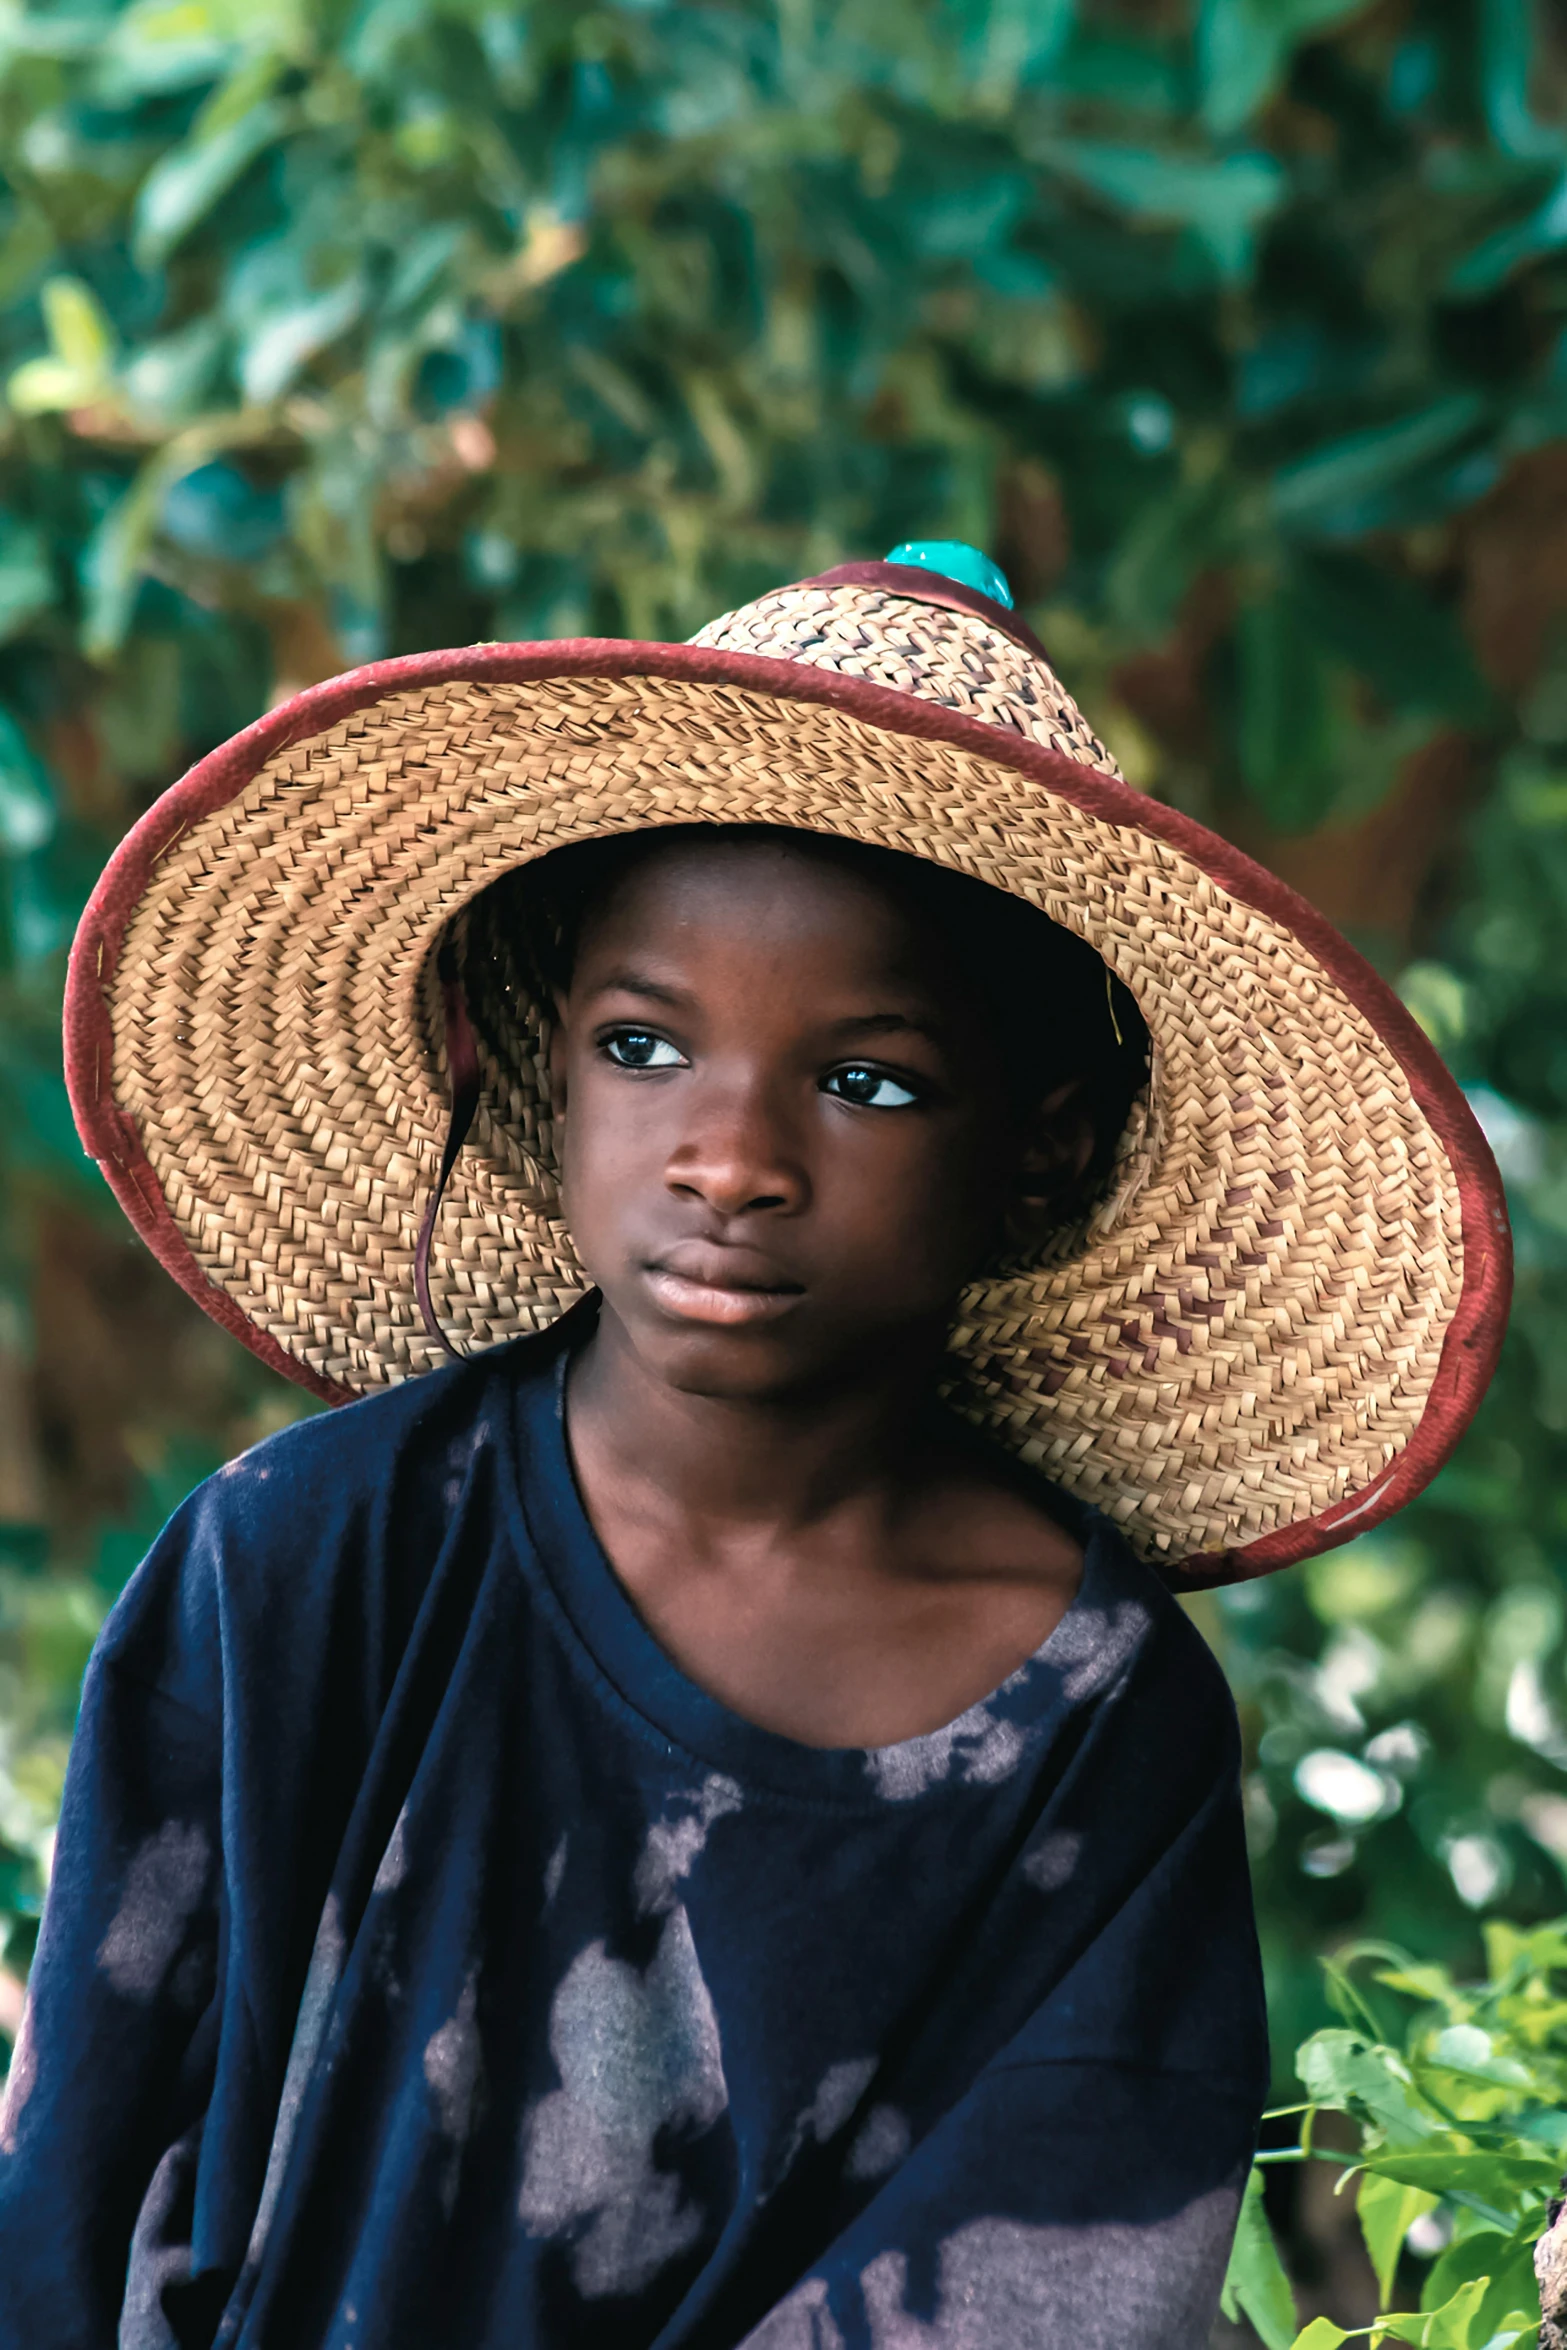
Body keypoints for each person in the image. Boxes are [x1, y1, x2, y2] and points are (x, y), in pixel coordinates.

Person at [0, 544, 1508, 2347]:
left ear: (1040, 1143)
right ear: (541, 1064)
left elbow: (1057, 2274)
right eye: (647, 1046)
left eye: (864, 1079)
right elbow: (69, 2190)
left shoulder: (1100, 1720)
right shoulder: (302, 1558)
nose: (729, 1156)